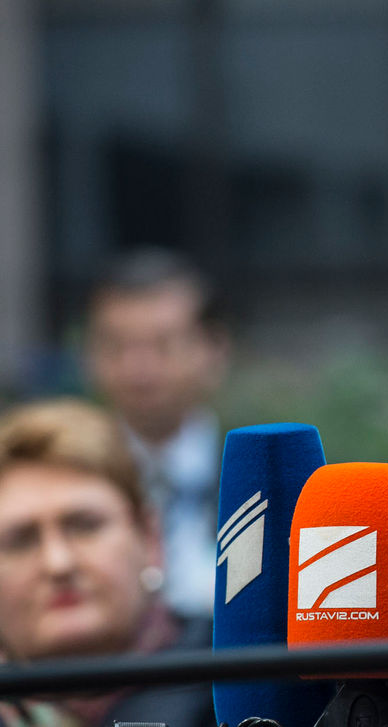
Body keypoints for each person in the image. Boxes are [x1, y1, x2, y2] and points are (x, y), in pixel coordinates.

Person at [0, 398, 215, 727]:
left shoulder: (242, 685)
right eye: (21, 540)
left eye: (85, 525)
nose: (59, 563)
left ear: (150, 539)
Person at [83, 248, 229, 618]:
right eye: (116, 346)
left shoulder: (264, 480)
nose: (138, 368)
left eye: (163, 345)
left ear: (214, 351)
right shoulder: (67, 483)